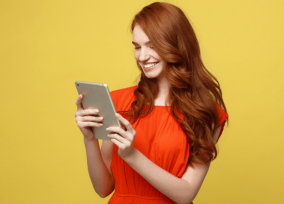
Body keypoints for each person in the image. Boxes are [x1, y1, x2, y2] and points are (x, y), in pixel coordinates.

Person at [74, 2, 228, 204]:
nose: (142, 56)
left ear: (176, 45)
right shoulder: (118, 101)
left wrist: (131, 155)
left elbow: (186, 194)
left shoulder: (205, 112)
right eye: (137, 47)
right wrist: (89, 139)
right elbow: (103, 188)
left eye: (152, 46)